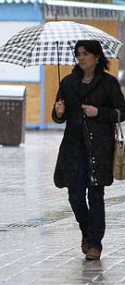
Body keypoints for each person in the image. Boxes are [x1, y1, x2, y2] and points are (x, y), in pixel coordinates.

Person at [52, 40, 125, 261]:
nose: (81, 58)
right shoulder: (67, 83)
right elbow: (57, 117)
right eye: (78, 54)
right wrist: (58, 112)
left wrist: (98, 112)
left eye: (85, 54)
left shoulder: (109, 83)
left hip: (99, 148)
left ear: (96, 57)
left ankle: (95, 244)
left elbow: (122, 112)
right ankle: (87, 231)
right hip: (73, 149)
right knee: (75, 197)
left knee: (95, 196)